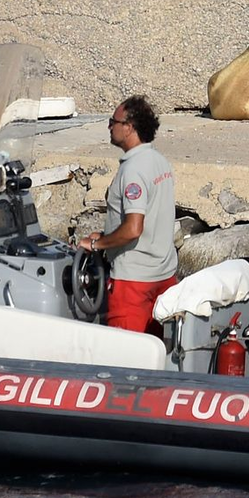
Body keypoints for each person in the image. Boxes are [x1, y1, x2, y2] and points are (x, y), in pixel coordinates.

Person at [77, 95, 177, 334]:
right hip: (164, 274)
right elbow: (150, 215)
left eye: (113, 121)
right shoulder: (159, 162)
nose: (109, 126)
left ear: (129, 127)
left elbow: (133, 229)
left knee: (127, 358)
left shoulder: (133, 170)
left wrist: (97, 243)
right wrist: (108, 233)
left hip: (134, 281)